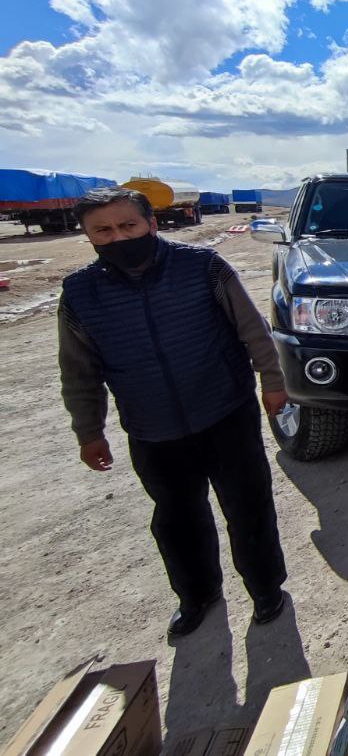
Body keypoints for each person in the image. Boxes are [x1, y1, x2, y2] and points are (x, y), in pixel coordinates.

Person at [57, 187, 289, 637]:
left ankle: (266, 590)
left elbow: (254, 330)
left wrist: (272, 382)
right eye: (102, 230)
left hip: (226, 412)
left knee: (248, 508)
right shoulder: (81, 294)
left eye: (128, 226)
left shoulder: (202, 268)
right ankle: (197, 595)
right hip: (152, 429)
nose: (118, 237)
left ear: (151, 224)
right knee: (176, 519)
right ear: (87, 236)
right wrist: (89, 431)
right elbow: (78, 370)